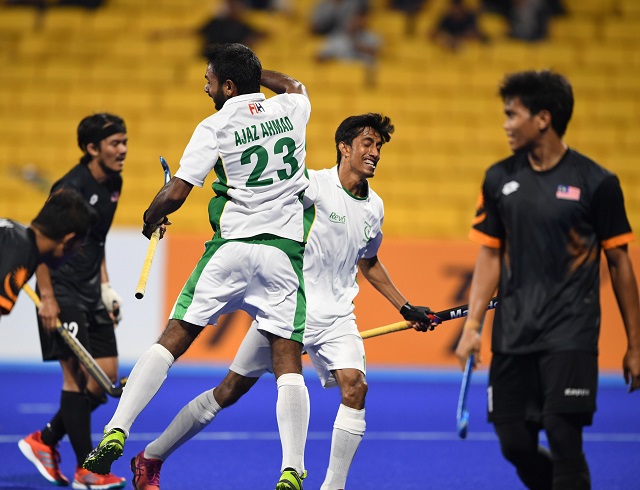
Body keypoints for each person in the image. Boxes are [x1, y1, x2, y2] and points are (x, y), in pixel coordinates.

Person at [126, 113, 436, 490]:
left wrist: (404, 307)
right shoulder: (312, 185)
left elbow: (368, 263)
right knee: (228, 391)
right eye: (368, 144)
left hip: (338, 318)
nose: (375, 153)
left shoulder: (375, 207)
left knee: (355, 387)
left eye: (379, 147)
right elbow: (257, 200)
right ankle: (151, 457)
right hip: (289, 307)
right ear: (345, 147)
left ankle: (332, 487)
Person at [82, 43, 313, 489]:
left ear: (227, 86)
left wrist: (151, 217)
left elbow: (177, 194)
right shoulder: (291, 108)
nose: (204, 87)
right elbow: (294, 84)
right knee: (287, 366)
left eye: (210, 80)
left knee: (171, 340)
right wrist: (253, 75)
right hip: (283, 255)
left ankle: (118, 428)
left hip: (229, 251)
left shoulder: (215, 124)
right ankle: (291, 468)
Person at [455, 70, 640, 489]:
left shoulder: (598, 183)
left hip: (570, 335)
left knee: (563, 436)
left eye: (511, 114)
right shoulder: (499, 178)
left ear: (542, 119)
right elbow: (489, 254)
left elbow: (621, 264)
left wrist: (636, 343)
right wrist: (473, 326)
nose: (505, 124)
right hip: (513, 335)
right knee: (513, 442)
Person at [18, 113, 129, 489]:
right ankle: (87, 469)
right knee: (76, 378)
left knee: (106, 379)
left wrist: (106, 287)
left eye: (125, 142)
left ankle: (45, 440)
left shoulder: (114, 182)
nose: (123, 150)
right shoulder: (69, 188)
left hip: (89, 289)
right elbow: (38, 238)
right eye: (115, 144)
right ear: (91, 148)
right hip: (61, 288)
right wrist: (46, 298)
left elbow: (95, 241)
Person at [0, 188, 97, 318]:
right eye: (79, 247)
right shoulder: (20, 255)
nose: (75, 255)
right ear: (69, 240)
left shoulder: (12, 233)